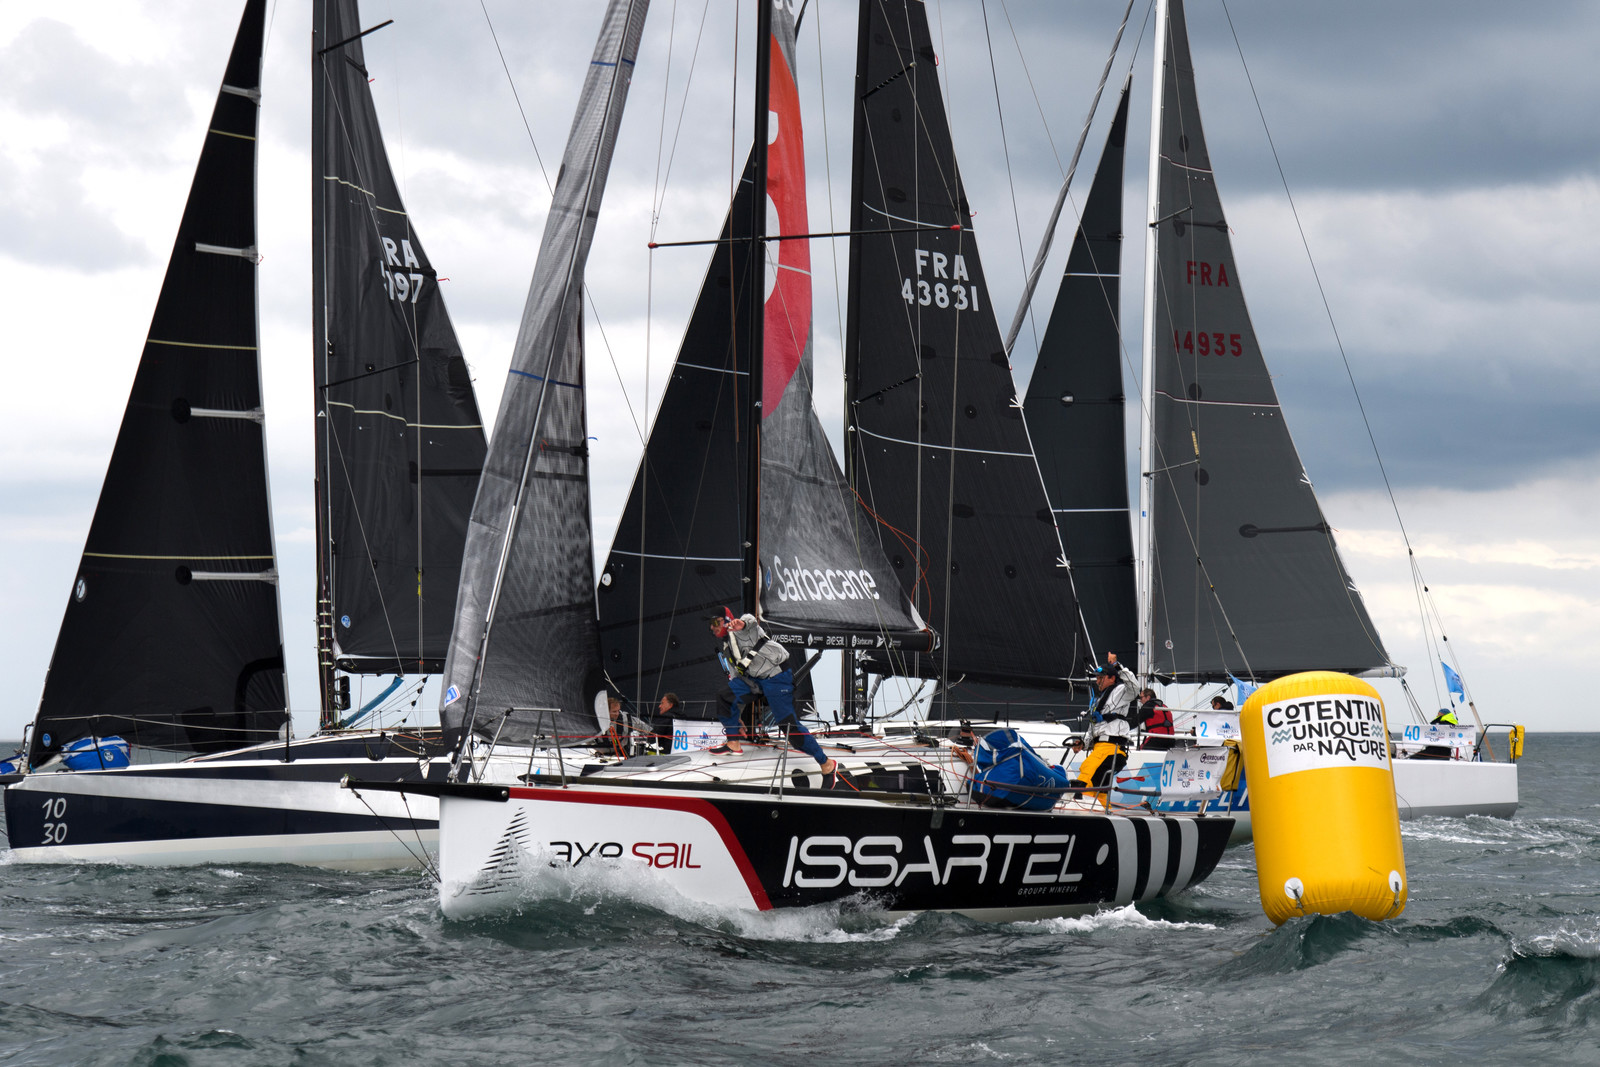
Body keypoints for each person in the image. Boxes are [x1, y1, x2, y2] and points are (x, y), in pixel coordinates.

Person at [707, 610, 839, 780]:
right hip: (755, 680)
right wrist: (735, 714)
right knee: (725, 696)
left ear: (727, 621)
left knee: (789, 728)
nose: (712, 627)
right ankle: (733, 743)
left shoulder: (744, 629)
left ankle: (826, 763)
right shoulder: (727, 646)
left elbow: (751, 620)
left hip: (777, 677)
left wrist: (743, 624)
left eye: (716, 622)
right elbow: (736, 675)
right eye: (710, 624)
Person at [1070, 655, 1138, 808]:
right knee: (1100, 783)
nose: (1097, 680)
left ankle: (1080, 806)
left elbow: (1135, 688)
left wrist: (1117, 665)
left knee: (1087, 771)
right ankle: (1101, 809)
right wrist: (1084, 743)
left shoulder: (1121, 691)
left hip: (1111, 748)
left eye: (1100, 677)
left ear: (1111, 678)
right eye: (1096, 677)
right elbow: (1095, 726)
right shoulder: (1099, 700)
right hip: (1100, 748)